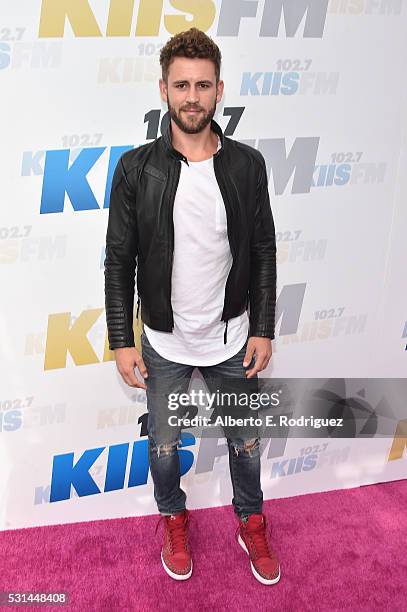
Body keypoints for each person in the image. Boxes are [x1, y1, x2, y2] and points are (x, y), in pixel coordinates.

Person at [104, 27, 280, 585]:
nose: (192, 97)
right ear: (164, 89)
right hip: (162, 341)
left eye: (203, 85)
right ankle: (173, 517)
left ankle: (250, 520)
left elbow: (263, 250)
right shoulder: (137, 169)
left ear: (219, 88)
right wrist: (121, 338)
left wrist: (264, 326)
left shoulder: (247, 165)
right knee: (162, 446)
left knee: (246, 443)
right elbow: (118, 261)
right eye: (182, 85)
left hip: (231, 339)